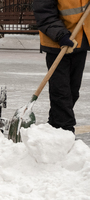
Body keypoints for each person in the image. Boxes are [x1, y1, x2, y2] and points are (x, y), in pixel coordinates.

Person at [33, 0, 89, 133]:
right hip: (58, 43)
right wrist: (60, 35)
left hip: (79, 41)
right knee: (61, 90)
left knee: (73, 91)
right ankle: (64, 129)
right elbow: (44, 13)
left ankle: (54, 124)